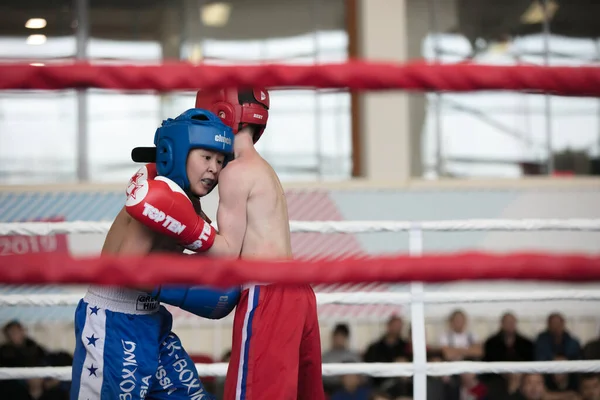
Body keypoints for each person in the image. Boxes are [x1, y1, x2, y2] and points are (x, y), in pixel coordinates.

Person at [127, 88, 325, 400]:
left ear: (221, 115)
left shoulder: (234, 172)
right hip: (299, 293)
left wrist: (186, 228)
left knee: (253, 393)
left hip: (267, 293)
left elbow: (229, 251)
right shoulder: (261, 167)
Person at [70, 109, 239, 400]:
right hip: (113, 322)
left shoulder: (188, 204)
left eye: (220, 161)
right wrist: (178, 283)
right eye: (206, 158)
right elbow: (123, 269)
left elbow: (217, 253)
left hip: (151, 319)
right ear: (179, 152)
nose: (214, 168)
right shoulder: (160, 193)